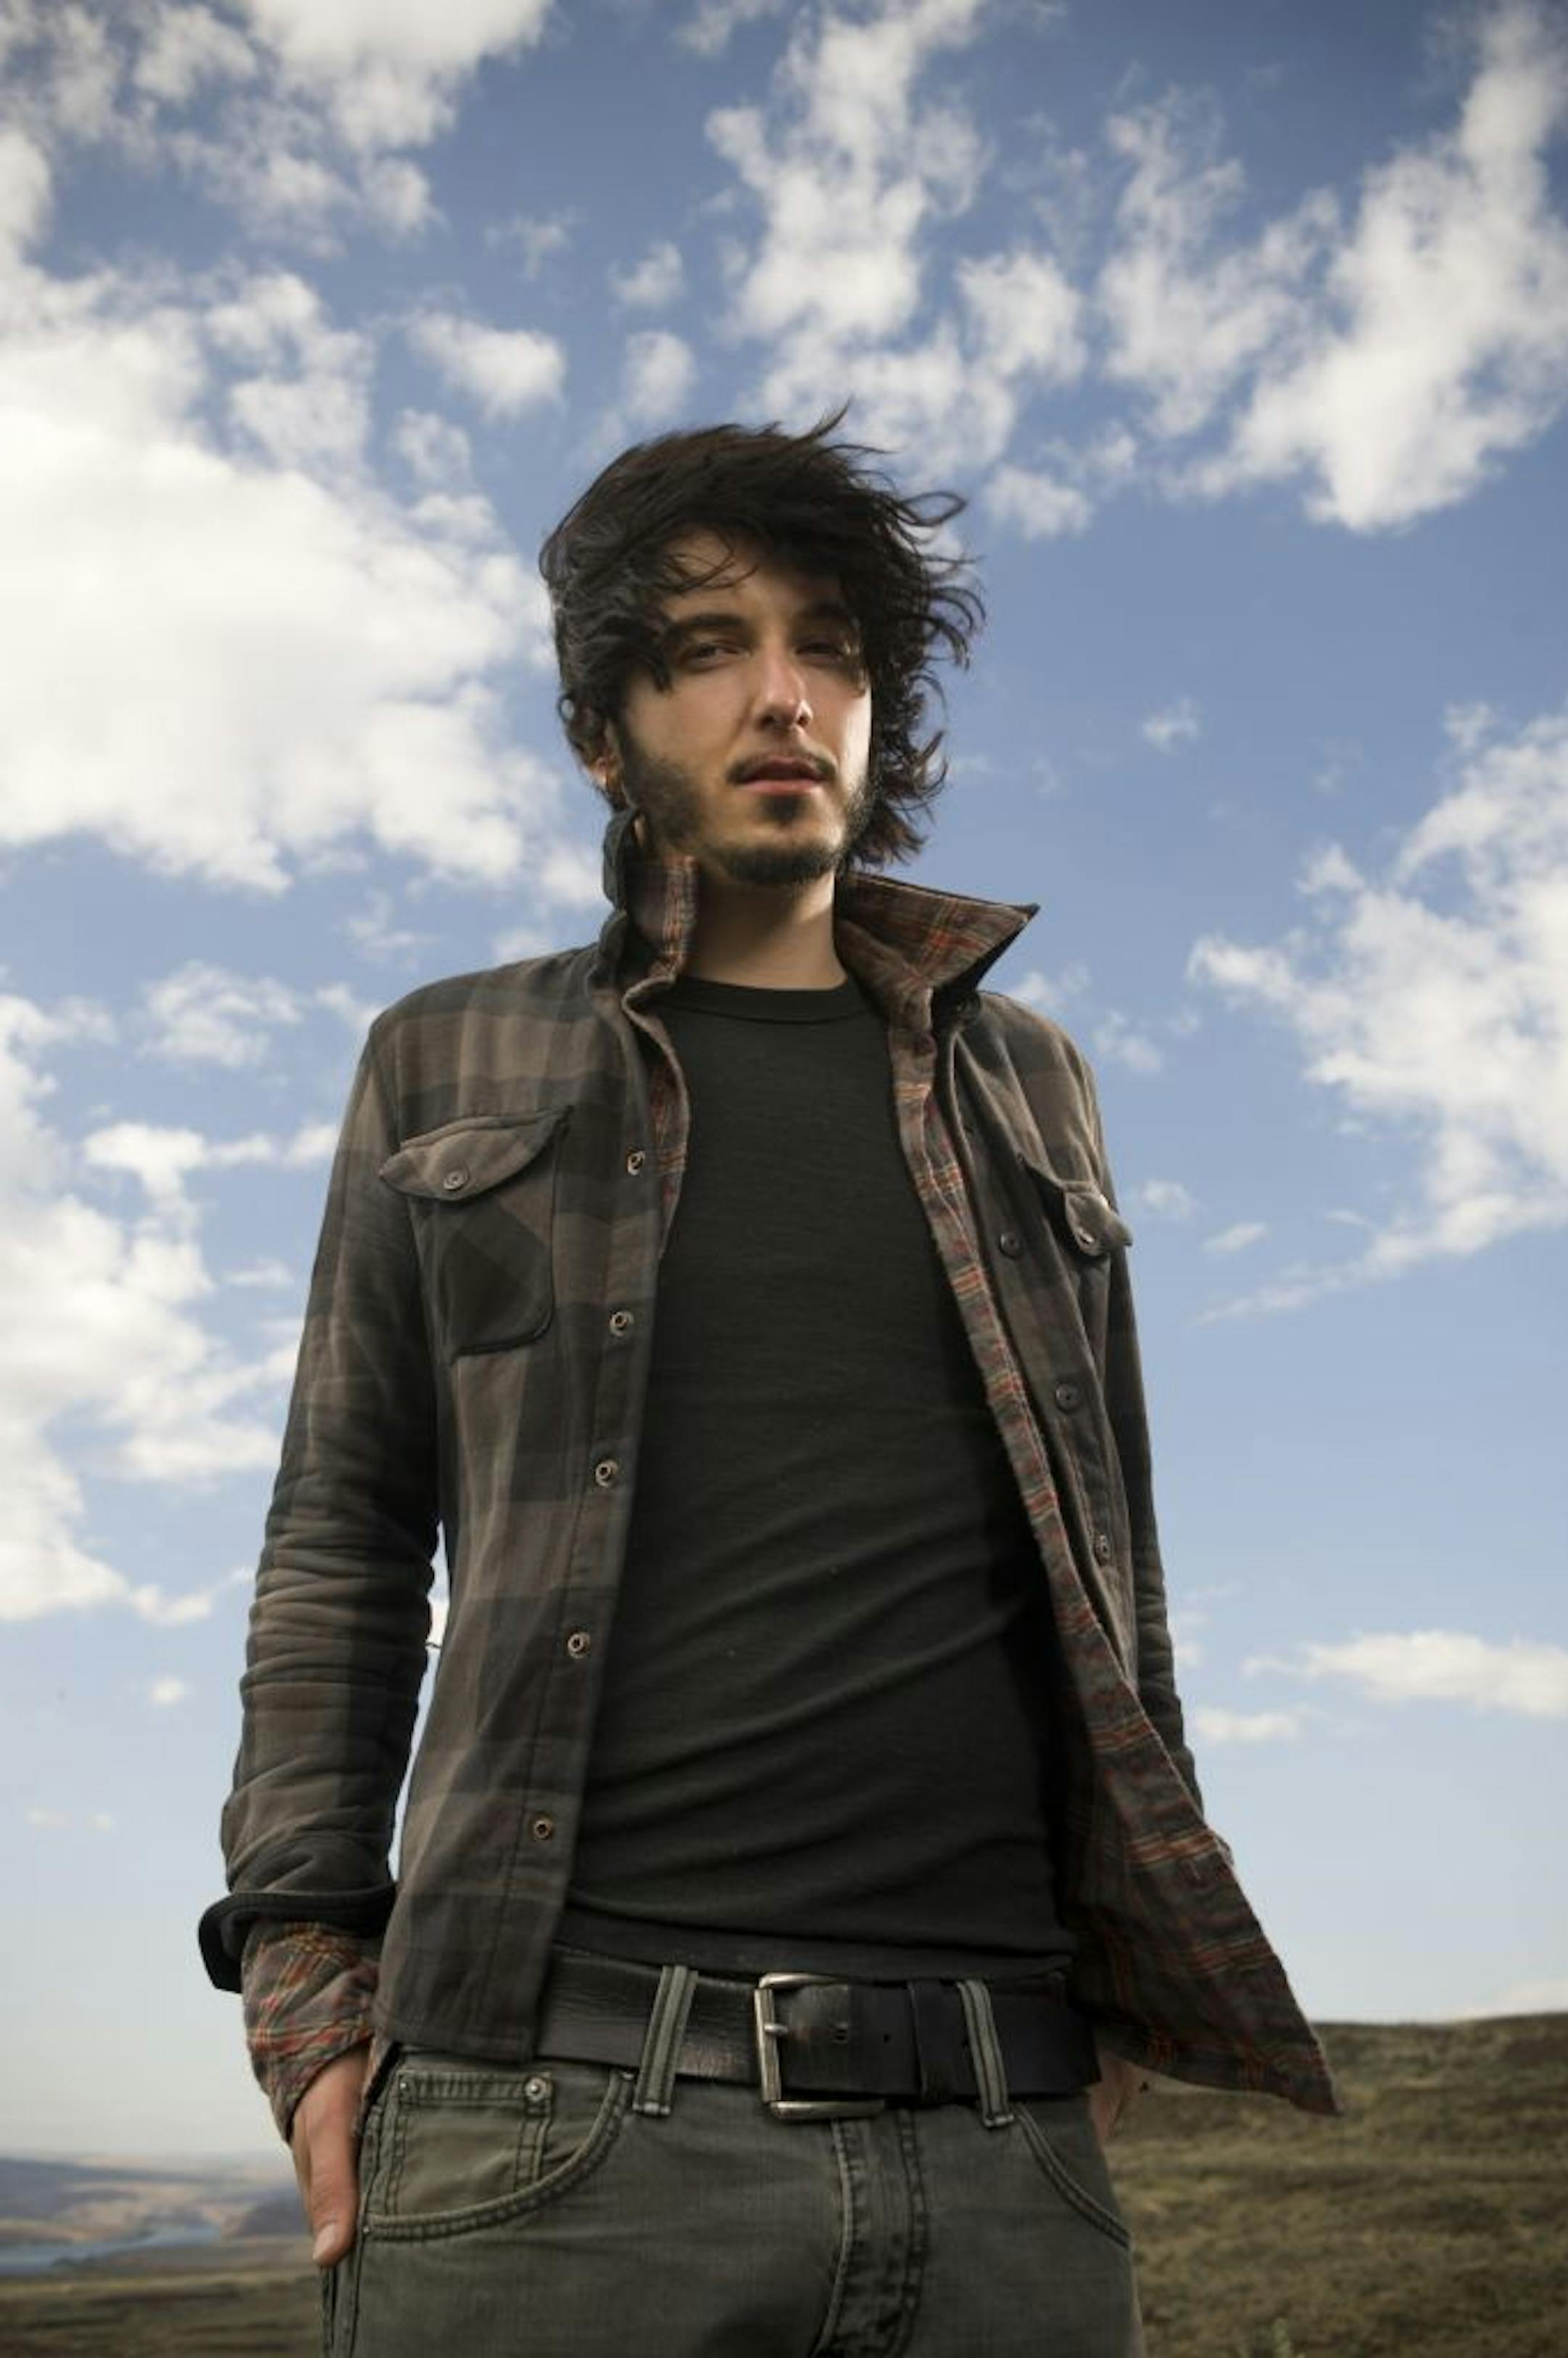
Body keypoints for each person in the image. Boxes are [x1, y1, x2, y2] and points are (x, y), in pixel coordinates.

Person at [200, 413, 1335, 2357]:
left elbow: (1113, 1555)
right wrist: (307, 1985)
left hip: (1007, 2146)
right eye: (710, 646)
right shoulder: (447, 1058)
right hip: (560, 2143)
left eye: (831, 649)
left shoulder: (1029, 1083)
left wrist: (1115, 1990)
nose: (786, 694)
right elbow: (343, 1535)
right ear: (600, 734)